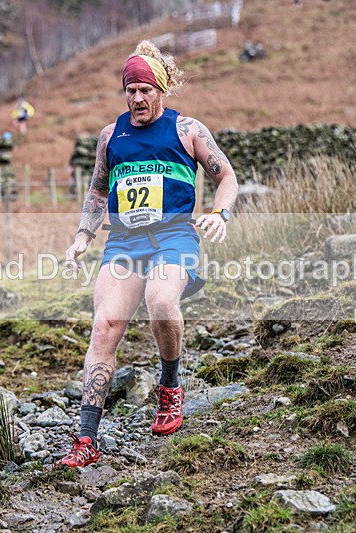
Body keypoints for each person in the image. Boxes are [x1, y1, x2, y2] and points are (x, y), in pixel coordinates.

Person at [56, 40, 239, 468]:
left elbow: (226, 176)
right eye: (130, 90)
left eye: (145, 90)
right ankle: (86, 440)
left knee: (160, 301)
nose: (137, 98)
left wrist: (221, 213)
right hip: (124, 241)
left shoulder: (187, 130)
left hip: (174, 236)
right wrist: (83, 234)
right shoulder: (110, 135)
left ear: (162, 89)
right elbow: (98, 190)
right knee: (104, 329)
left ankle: (170, 386)